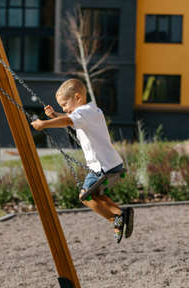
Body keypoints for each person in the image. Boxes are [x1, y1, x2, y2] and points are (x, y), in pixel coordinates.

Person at [31, 79, 134, 243]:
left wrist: (44, 123)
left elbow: (68, 120)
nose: (64, 109)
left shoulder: (84, 113)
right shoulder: (92, 111)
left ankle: (115, 219)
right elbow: (70, 118)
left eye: (65, 104)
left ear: (78, 97)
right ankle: (121, 214)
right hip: (113, 164)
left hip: (102, 167)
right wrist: (56, 115)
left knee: (85, 197)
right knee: (97, 196)